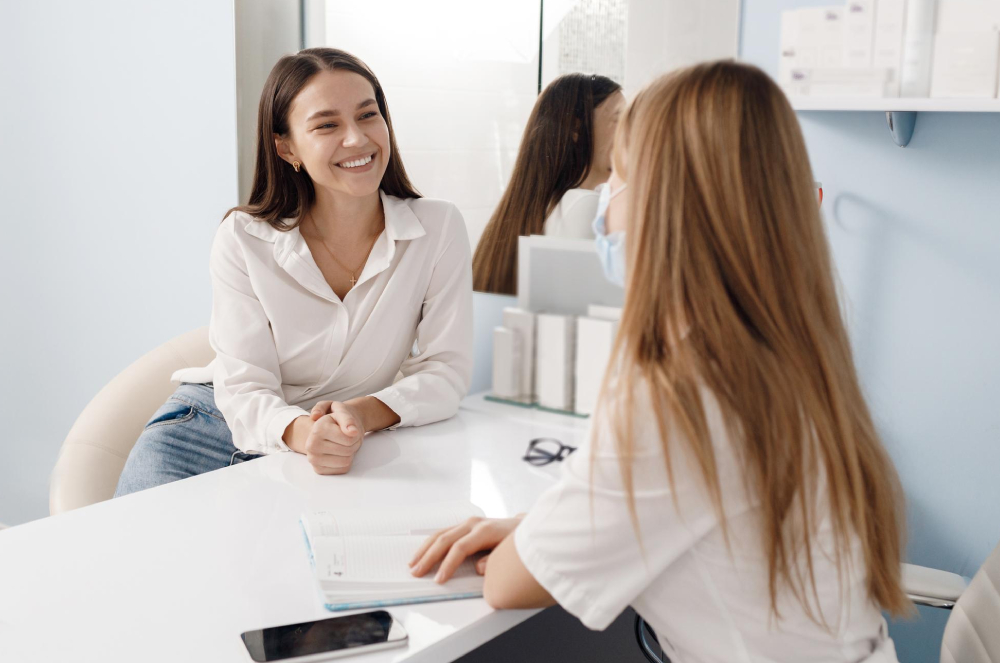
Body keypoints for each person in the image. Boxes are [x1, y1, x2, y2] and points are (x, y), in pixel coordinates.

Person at [410, 61, 910, 662]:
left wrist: (536, 534)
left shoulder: (678, 394)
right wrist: (542, 526)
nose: (603, 204)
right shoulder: (788, 356)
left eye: (617, 176)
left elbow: (508, 583)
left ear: (663, 202)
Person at [115, 48, 472, 496]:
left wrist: (359, 416)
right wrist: (305, 433)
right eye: (327, 125)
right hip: (209, 430)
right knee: (137, 562)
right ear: (286, 147)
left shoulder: (437, 229)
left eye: (368, 115)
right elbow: (244, 385)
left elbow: (446, 372)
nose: (357, 139)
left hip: (339, 443)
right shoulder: (244, 238)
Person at [472, 73, 624, 294]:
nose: (629, 134)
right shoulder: (584, 206)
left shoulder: (535, 207)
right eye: (619, 120)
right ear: (576, 129)